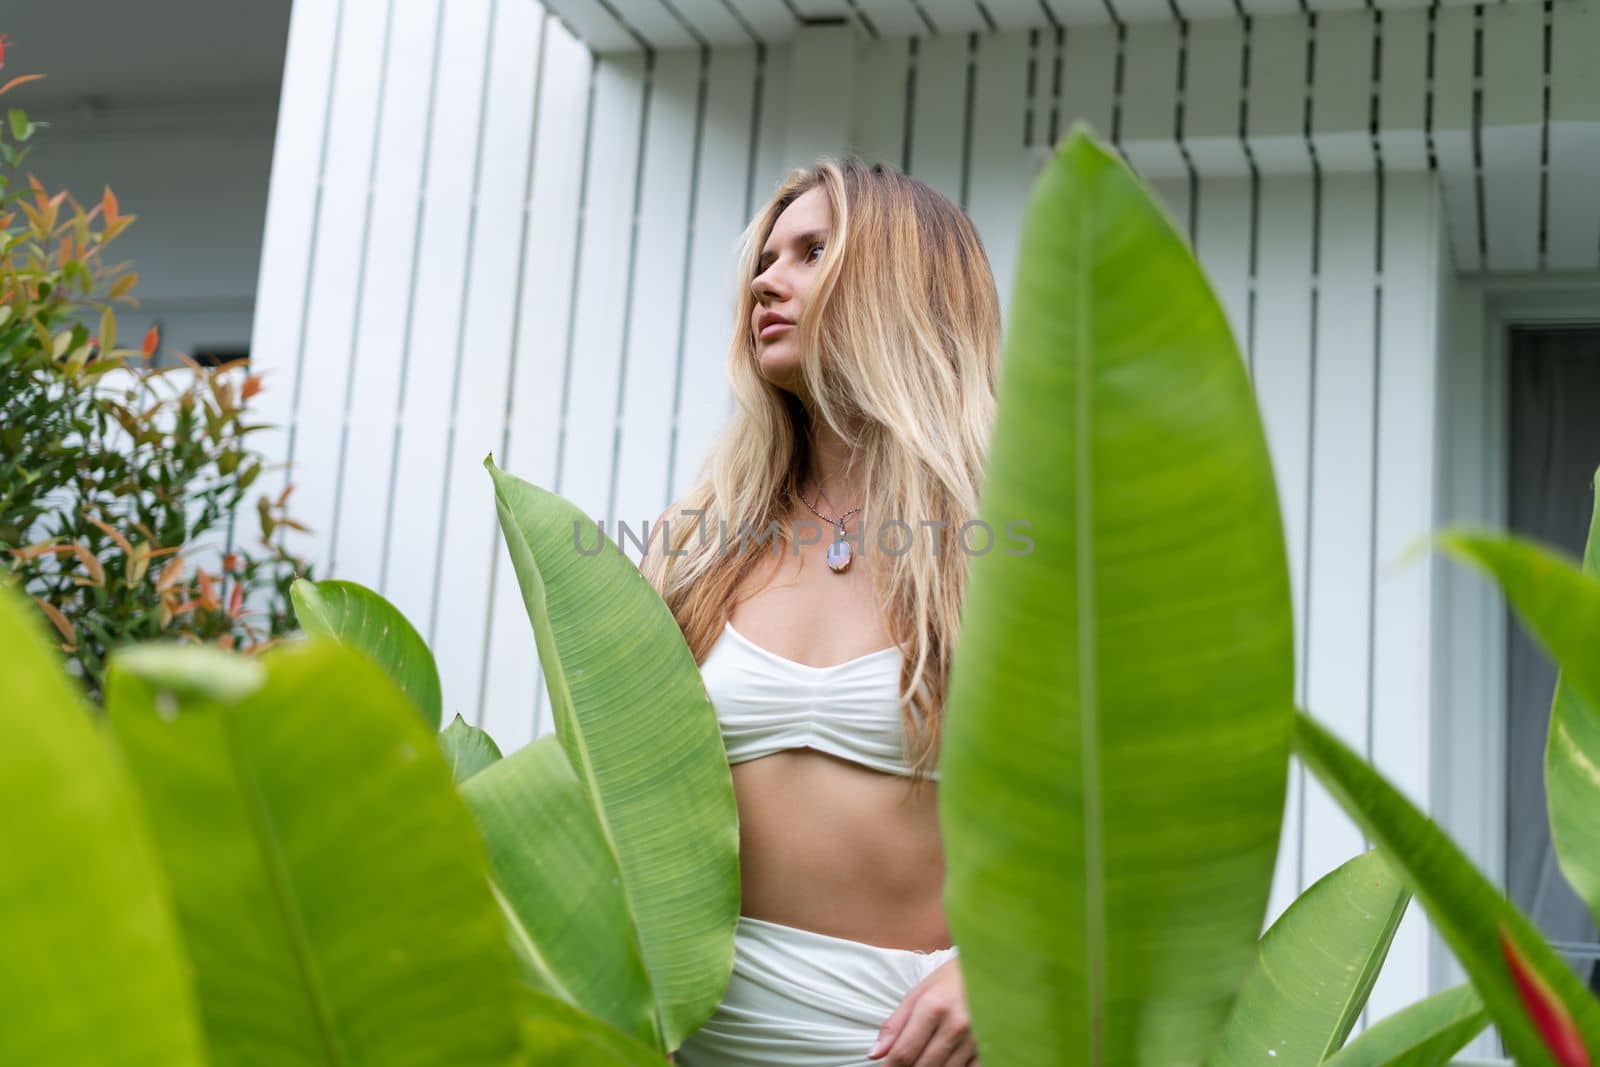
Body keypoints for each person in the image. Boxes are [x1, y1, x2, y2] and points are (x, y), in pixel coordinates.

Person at [641, 155, 1000, 1067]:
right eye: (767, 257)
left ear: (900, 286)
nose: (768, 278)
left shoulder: (1004, 543)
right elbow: (611, 788)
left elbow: (1127, 802)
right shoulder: (694, 541)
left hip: (920, 1042)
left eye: (811, 252)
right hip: (699, 1037)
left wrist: (1003, 960)